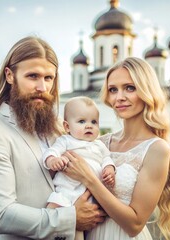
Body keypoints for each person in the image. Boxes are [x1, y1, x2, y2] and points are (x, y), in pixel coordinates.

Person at [0, 36, 105, 240]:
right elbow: (3, 215)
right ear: (10, 75)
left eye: (48, 78)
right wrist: (71, 218)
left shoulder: (58, 128)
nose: (42, 87)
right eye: (33, 76)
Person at [63, 57, 170, 240]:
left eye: (129, 88)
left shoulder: (156, 148)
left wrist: (90, 179)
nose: (119, 97)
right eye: (113, 90)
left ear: (146, 91)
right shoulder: (101, 142)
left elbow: (135, 224)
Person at [43, 96, 116, 240]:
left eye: (94, 122)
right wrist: (53, 160)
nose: (89, 126)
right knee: (54, 212)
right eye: (82, 121)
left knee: (80, 229)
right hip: (67, 190)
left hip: (90, 196)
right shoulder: (65, 141)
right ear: (67, 127)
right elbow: (51, 152)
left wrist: (109, 169)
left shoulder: (99, 145)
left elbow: (107, 158)